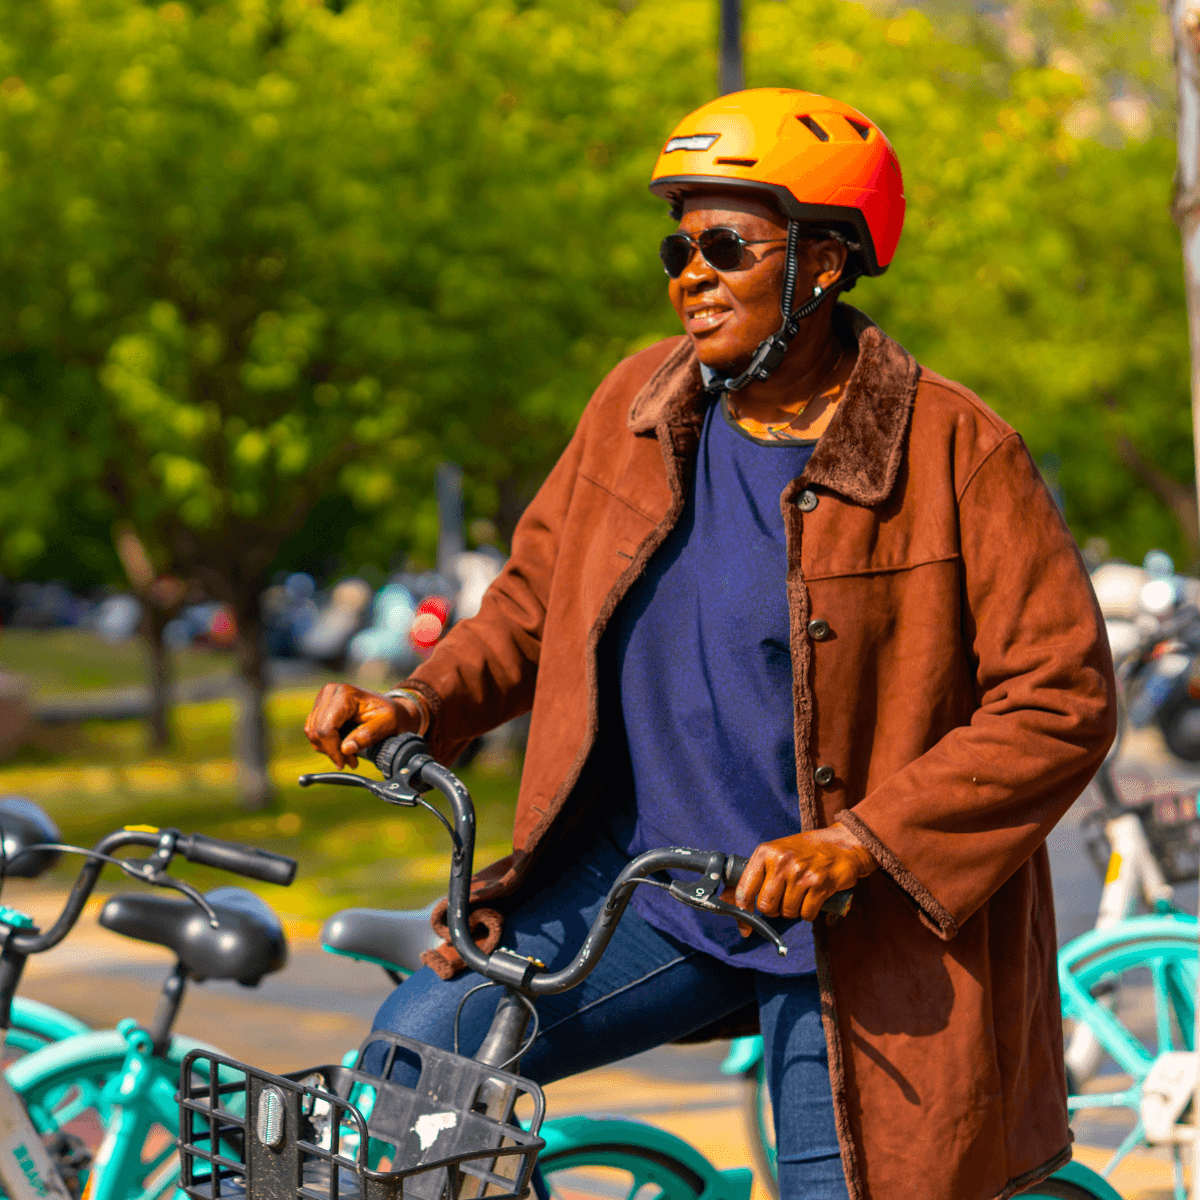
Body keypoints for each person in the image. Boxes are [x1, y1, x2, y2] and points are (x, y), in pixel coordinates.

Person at [305, 89, 1116, 1200]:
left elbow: (1059, 698)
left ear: (824, 263)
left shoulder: (956, 451)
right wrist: (418, 702)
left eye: (726, 245)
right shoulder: (636, 406)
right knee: (422, 1049)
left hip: (859, 936)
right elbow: (538, 600)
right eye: (675, 247)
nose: (691, 273)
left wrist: (863, 844)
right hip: (656, 889)